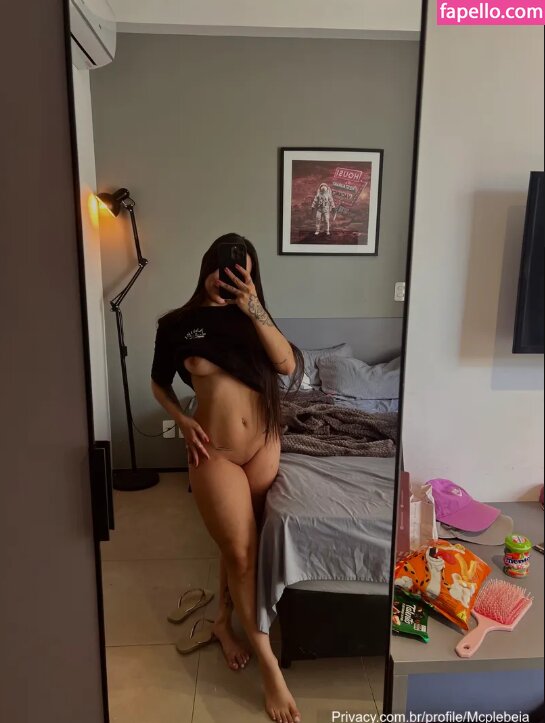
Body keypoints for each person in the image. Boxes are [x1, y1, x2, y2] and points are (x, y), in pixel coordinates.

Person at [151, 233, 303, 723]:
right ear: (206, 267)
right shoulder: (177, 325)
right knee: (240, 551)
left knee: (241, 541)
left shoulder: (254, 316)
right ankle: (270, 667)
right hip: (214, 452)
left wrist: (253, 305)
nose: (229, 277)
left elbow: (287, 365)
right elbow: (158, 381)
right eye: (222, 267)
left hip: (263, 446)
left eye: (242, 271)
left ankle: (223, 621)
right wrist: (181, 418)